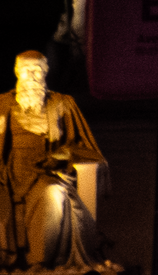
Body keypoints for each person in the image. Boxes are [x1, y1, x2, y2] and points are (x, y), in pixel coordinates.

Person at [3, 50, 113, 274]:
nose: (32, 75)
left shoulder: (62, 103)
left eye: (37, 70)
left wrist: (61, 155)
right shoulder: (2, 104)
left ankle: (39, 263)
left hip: (47, 171)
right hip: (8, 173)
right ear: (17, 72)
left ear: (46, 73)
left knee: (53, 193)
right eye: (26, 70)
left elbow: (83, 145)